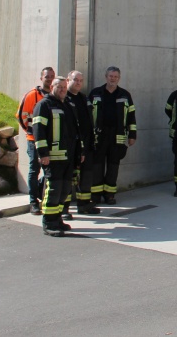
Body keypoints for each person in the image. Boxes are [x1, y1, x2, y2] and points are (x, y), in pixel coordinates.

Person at [32, 76, 81, 237]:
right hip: (53, 157)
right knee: (53, 189)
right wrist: (43, 154)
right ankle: (49, 222)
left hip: (68, 157)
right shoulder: (44, 105)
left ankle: (57, 218)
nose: (62, 90)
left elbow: (75, 132)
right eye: (58, 87)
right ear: (52, 86)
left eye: (64, 87)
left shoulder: (68, 105)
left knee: (65, 190)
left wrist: (79, 153)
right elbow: (38, 132)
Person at [88, 66, 136, 205]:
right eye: (110, 76)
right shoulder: (95, 93)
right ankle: (95, 195)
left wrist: (132, 135)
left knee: (113, 166)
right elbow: (88, 116)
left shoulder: (125, 95)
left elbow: (131, 116)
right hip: (99, 136)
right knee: (97, 165)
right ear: (106, 77)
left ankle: (109, 194)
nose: (113, 79)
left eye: (115, 76)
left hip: (118, 135)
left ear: (119, 78)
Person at [16, 66, 55, 215]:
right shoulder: (33, 95)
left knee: (49, 171)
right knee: (34, 169)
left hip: (50, 141)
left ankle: (43, 195)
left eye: (52, 76)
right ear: (41, 78)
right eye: (47, 76)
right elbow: (21, 116)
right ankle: (33, 201)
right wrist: (31, 131)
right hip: (34, 140)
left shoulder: (54, 96)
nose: (50, 79)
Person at [65, 70, 100, 216]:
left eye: (81, 80)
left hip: (86, 144)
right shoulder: (64, 99)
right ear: (68, 80)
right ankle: (64, 208)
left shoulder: (84, 98)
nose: (78, 83)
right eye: (75, 80)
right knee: (67, 178)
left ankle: (84, 204)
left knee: (86, 176)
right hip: (70, 146)